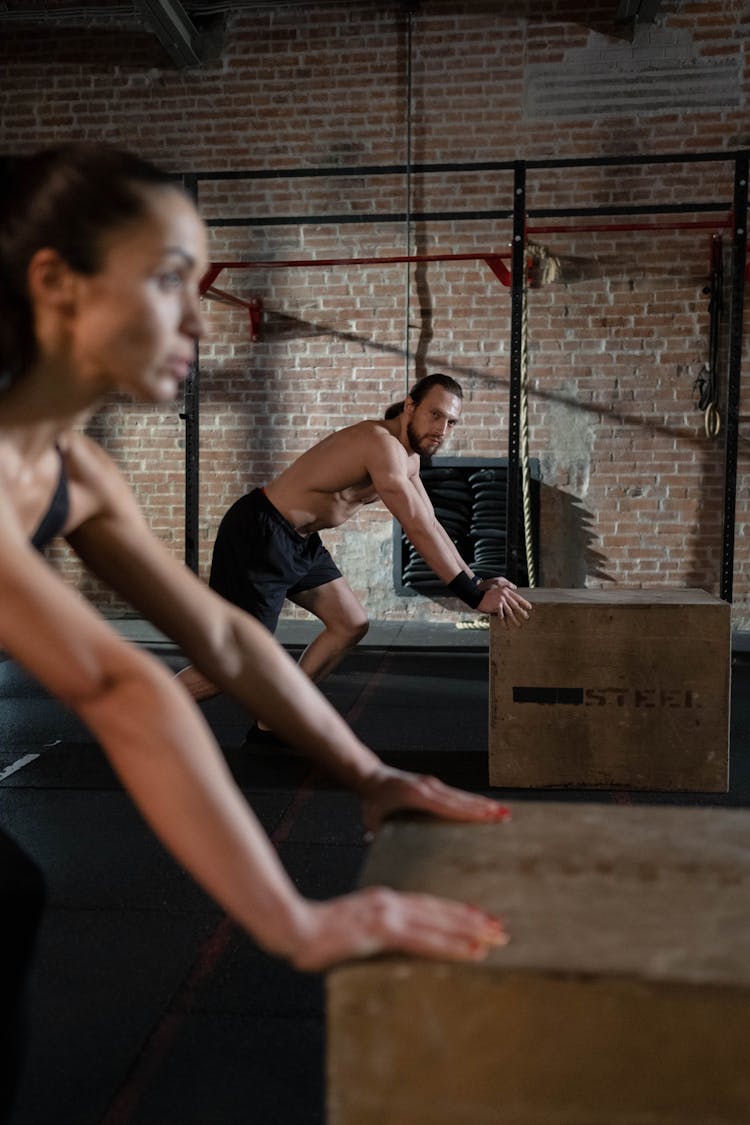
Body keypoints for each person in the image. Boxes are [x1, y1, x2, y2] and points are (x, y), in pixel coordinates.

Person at [0, 142, 509, 1119]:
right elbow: (125, 688)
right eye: (167, 280)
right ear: (56, 283)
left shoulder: (76, 472)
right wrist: (293, 920)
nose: (198, 319)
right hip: (265, 531)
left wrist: (371, 775)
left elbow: (225, 651)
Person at [177, 373, 532, 737]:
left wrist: (474, 579)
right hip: (259, 533)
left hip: (300, 542)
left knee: (349, 623)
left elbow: (432, 523)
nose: (442, 429)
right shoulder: (379, 444)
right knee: (235, 664)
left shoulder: (409, 459)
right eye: (435, 415)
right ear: (410, 406)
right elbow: (416, 527)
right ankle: (129, 706)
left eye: (451, 422)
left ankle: (276, 718)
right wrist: (473, 597)